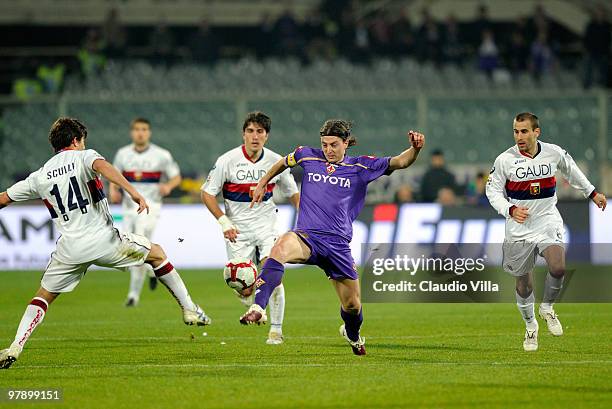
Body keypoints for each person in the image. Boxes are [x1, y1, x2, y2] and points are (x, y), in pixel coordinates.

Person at [0, 117, 210, 369]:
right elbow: (103, 166)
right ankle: (189, 309)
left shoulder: (39, 176)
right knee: (157, 254)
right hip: (104, 240)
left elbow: (3, 199)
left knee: (43, 296)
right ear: (76, 140)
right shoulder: (84, 156)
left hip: (69, 249)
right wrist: (132, 191)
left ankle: (16, 345)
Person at [240, 119, 425, 355]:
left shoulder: (362, 167)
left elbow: (400, 161)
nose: (328, 150)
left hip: (337, 245)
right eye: (325, 144)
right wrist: (262, 183)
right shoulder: (307, 155)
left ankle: (353, 334)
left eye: (334, 145)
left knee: (352, 305)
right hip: (307, 237)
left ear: (346, 143)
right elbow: (282, 163)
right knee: (280, 247)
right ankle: (258, 307)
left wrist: (416, 149)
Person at [485, 112, 606, 352]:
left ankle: (547, 307)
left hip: (547, 219)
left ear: (536, 132)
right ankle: (531, 326)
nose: (519, 136)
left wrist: (592, 193)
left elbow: (572, 171)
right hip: (518, 227)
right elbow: (492, 191)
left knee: (558, 267)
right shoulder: (504, 160)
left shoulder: (553, 152)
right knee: (524, 284)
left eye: (524, 131)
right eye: (516, 131)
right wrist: (510, 209)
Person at [201, 112, 300, 345]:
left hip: (268, 227)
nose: (255, 136)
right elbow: (207, 193)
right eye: (250, 131)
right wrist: (223, 221)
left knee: (272, 275)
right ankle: (253, 302)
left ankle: (276, 331)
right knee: (244, 288)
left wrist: (306, 222)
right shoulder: (227, 160)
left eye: (260, 132)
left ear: (267, 136)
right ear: (243, 134)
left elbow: (294, 194)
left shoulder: (277, 162)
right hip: (237, 231)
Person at [110, 118, 182, 307]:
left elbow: (176, 177)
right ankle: (151, 270)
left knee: (138, 244)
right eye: (137, 129)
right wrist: (113, 190)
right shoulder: (122, 154)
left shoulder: (161, 155)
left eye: (144, 129)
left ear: (149, 132)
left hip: (151, 207)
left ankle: (133, 296)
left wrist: (168, 186)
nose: (140, 133)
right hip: (128, 209)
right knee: (130, 249)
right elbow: (114, 175)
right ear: (131, 132)